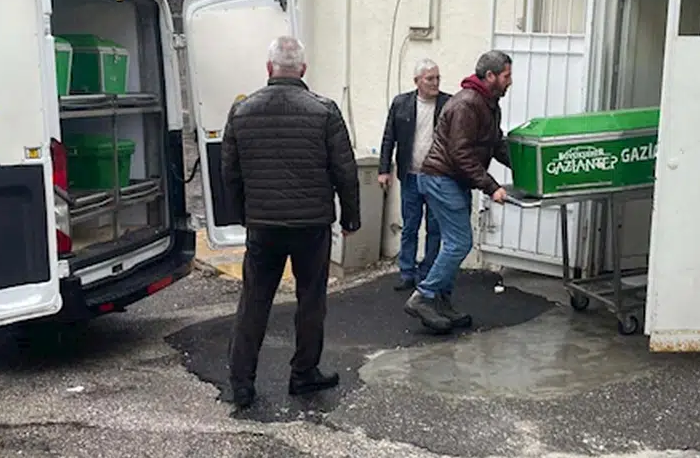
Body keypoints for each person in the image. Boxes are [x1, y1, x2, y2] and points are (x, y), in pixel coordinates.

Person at [220, 35, 361, 409]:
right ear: (303, 69)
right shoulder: (324, 111)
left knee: (254, 300)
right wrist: (350, 217)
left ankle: (241, 382)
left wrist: (241, 216)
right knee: (310, 300)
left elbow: (230, 172)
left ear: (269, 68)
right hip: (311, 225)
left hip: (263, 225)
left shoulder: (242, 111)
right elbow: (345, 170)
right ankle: (303, 373)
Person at [406, 50, 513, 334]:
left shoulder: (489, 104)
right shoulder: (467, 104)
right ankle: (423, 296)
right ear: (490, 76)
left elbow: (496, 144)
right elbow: (460, 153)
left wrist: (528, 167)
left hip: (452, 180)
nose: (510, 81)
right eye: (506, 76)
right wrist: (492, 187)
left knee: (452, 243)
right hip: (441, 179)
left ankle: (442, 301)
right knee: (459, 243)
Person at [377, 59, 451, 292]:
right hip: (410, 175)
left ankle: (428, 273)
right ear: (417, 81)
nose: (435, 83)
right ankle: (407, 272)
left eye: (437, 78)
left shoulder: (448, 104)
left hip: (437, 177)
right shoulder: (401, 103)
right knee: (410, 226)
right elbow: (389, 137)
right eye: (430, 79)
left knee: (435, 227)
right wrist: (384, 170)